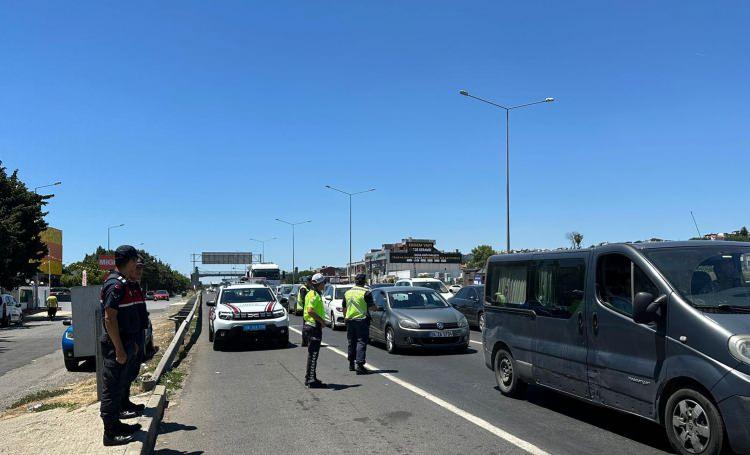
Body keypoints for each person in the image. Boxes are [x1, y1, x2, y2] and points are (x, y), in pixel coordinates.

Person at [99, 245, 143, 446]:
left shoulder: (125, 283)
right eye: (135, 260)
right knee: (111, 389)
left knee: (119, 387)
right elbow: (109, 318)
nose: (137, 264)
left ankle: (117, 424)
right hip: (115, 346)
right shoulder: (115, 284)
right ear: (130, 260)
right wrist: (119, 349)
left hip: (126, 343)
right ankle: (110, 433)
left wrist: (131, 345)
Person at [121, 255, 148, 418]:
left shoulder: (135, 286)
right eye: (136, 268)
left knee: (132, 371)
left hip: (138, 334)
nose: (139, 271)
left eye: (141, 268)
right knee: (124, 373)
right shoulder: (124, 286)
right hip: (129, 337)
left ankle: (126, 401)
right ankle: (121, 406)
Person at [342, 273, 372, 375]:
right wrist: (379, 307)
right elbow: (372, 307)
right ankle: (359, 365)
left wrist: (346, 317)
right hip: (361, 320)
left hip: (349, 320)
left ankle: (351, 364)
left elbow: (344, 308)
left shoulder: (347, 292)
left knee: (351, 342)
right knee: (361, 342)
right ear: (364, 282)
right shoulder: (366, 292)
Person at [303, 273, 329, 388]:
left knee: (312, 355)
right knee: (313, 355)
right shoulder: (314, 295)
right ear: (319, 284)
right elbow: (310, 311)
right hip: (313, 327)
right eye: (323, 282)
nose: (324, 284)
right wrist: (322, 322)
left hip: (310, 326)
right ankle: (311, 380)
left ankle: (309, 378)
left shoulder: (311, 293)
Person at [297, 276, 313, 346]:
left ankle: (308, 340)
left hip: (308, 308)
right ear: (308, 282)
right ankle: (304, 342)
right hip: (305, 309)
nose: (311, 283)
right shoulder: (303, 289)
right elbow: (304, 299)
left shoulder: (309, 288)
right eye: (310, 282)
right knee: (305, 326)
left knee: (308, 325)